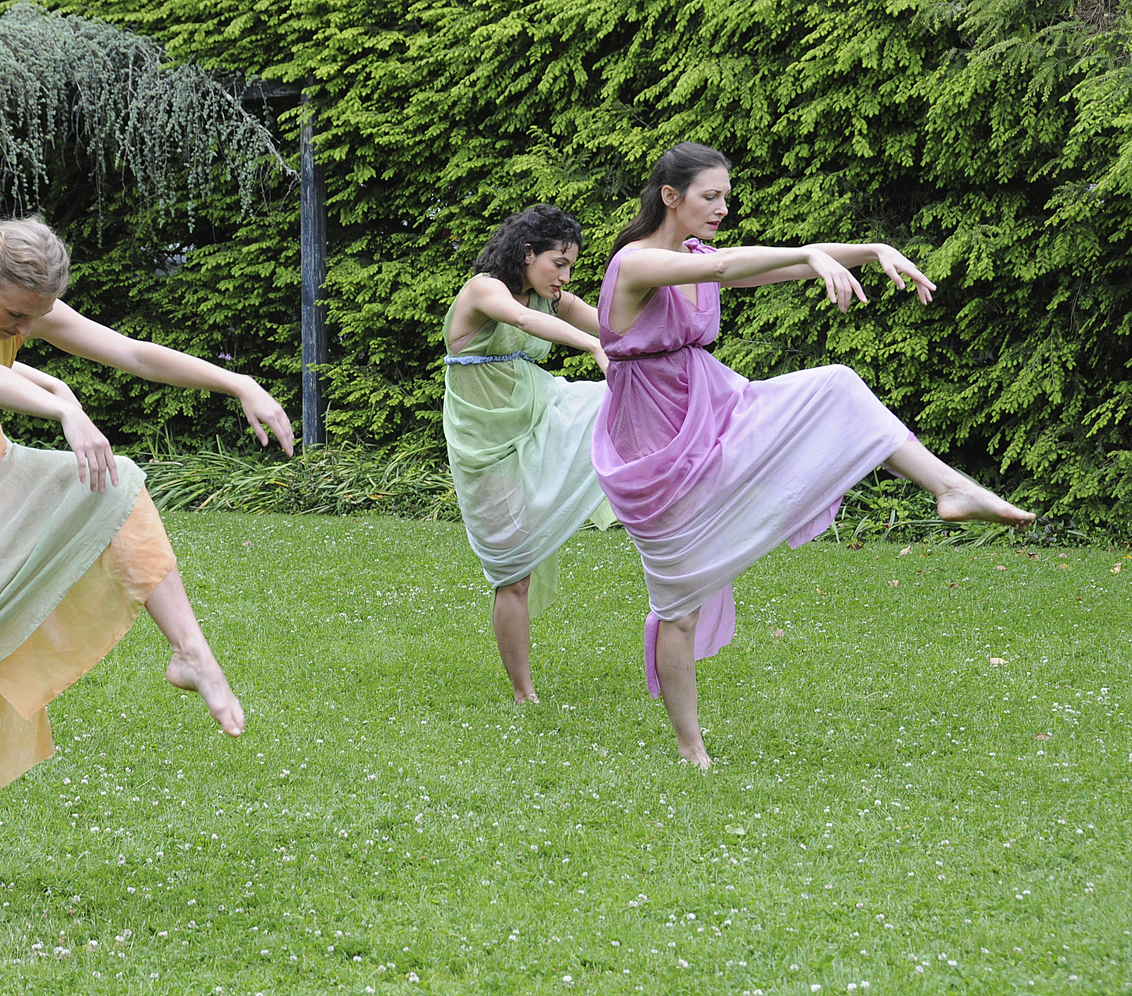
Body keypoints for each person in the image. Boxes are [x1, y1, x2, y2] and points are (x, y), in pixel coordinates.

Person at [0, 217, 293, 920]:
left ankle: (191, 651)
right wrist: (66, 409)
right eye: (18, 313)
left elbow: (131, 352)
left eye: (37, 315)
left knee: (117, 484)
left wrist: (237, 382)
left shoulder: (24, 306)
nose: (26, 326)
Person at [591, 142, 1034, 768]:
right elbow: (728, 271)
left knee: (836, 386)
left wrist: (872, 251)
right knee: (677, 607)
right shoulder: (635, 263)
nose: (723, 207)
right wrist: (808, 252)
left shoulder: (696, 254)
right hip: (656, 445)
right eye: (709, 196)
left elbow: (767, 269)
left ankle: (950, 488)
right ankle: (692, 747)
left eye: (725, 195)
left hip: (715, 414)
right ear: (672, 196)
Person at [442, 204, 615, 704]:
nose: (564, 278)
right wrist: (593, 349)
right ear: (527, 252)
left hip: (541, 415)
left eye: (571, 267)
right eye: (557, 264)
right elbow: (519, 319)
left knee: (619, 400)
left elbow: (614, 327)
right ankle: (524, 693)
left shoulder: (552, 297)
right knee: (512, 571)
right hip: (485, 442)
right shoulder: (484, 289)